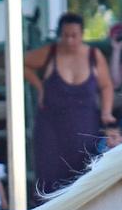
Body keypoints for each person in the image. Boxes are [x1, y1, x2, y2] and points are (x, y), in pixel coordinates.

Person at [24, 12, 117, 198]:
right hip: (51, 126)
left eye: (74, 35)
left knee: (82, 176)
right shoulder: (50, 52)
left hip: (84, 125)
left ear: (82, 34)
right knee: (49, 177)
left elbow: (106, 86)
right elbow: (20, 63)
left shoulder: (93, 55)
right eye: (65, 35)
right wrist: (40, 86)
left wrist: (107, 112)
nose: (69, 40)